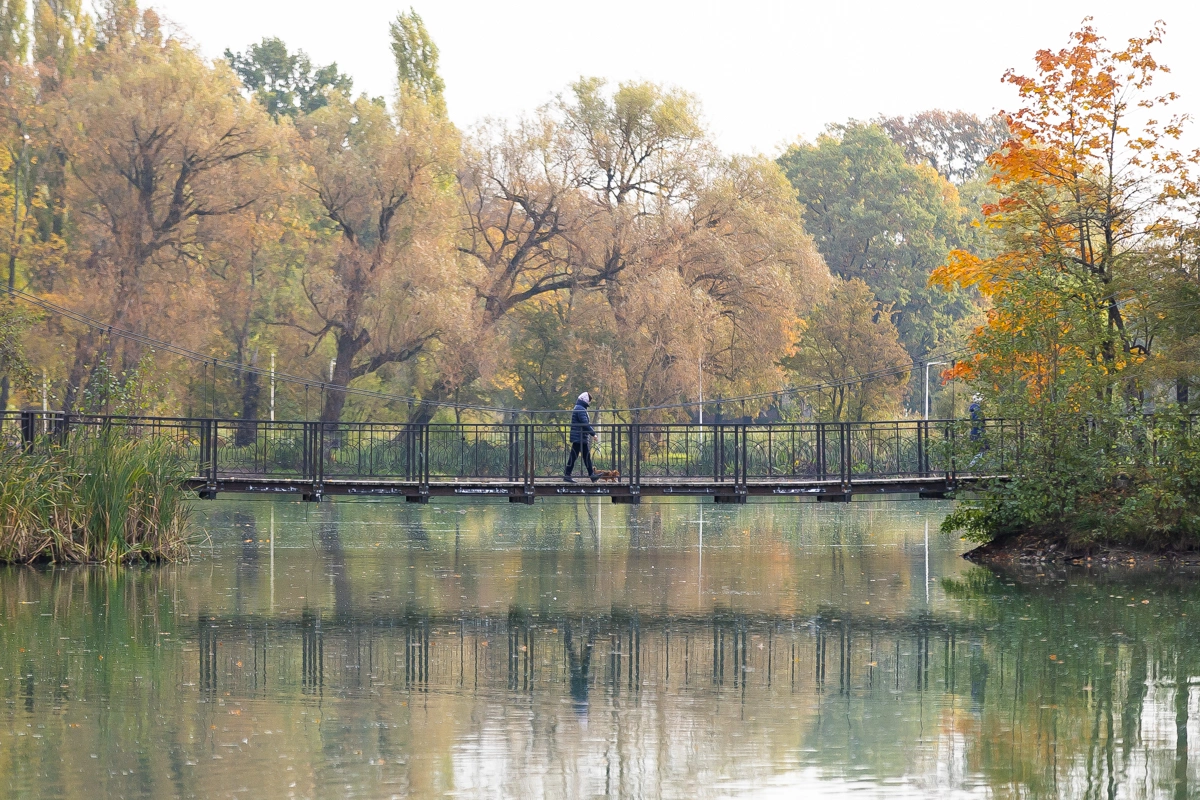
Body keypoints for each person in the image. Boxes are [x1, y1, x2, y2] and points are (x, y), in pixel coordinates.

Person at [563, 391, 597, 482]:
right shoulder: (580, 409)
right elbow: (585, 424)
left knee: (581, 456)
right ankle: (568, 475)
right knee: (580, 456)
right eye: (589, 401)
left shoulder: (579, 408)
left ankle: (591, 475)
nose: (589, 403)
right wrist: (593, 434)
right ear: (586, 400)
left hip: (580, 437)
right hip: (579, 437)